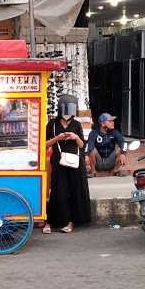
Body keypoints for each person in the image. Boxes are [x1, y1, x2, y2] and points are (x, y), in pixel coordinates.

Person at [44, 95, 91, 234]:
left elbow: (82, 145)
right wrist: (57, 138)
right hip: (59, 162)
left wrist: (75, 137)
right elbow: (44, 144)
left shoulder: (76, 124)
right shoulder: (52, 124)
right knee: (58, 192)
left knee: (75, 191)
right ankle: (51, 221)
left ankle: (71, 222)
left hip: (76, 162)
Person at [87, 113, 127, 177]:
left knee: (120, 149)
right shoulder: (93, 133)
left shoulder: (115, 132)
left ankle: (114, 172)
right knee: (92, 150)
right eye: (110, 121)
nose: (113, 122)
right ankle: (93, 172)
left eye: (112, 121)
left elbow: (123, 142)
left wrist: (123, 154)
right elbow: (89, 147)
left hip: (110, 161)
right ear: (102, 124)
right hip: (98, 162)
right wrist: (87, 156)